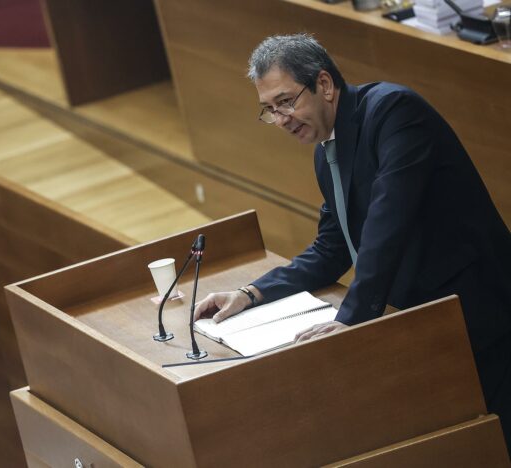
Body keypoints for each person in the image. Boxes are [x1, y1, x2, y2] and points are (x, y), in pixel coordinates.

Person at [193, 33, 511, 453]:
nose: (281, 119)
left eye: (286, 102)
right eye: (269, 109)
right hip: (423, 318)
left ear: (324, 84)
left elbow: (387, 222)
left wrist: (351, 319)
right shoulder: (327, 152)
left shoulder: (394, 112)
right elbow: (331, 248)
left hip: (480, 309)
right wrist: (251, 293)